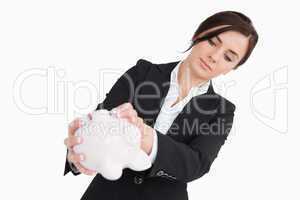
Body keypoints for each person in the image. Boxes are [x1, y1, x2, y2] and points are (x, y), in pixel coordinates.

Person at [63, 10, 259, 200]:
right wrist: (79, 154)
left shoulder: (222, 111)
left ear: (232, 68)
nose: (214, 56)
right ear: (197, 35)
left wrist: (148, 138)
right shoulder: (142, 73)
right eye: (212, 41)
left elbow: (197, 164)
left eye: (228, 57)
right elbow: (100, 122)